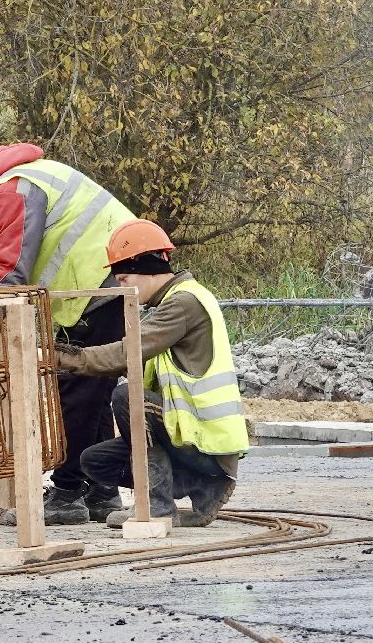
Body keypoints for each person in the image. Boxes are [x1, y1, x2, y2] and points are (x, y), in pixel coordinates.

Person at [0, 142, 135, 524]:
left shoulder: (6, 191)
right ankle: (102, 492)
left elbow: (13, 276)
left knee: (76, 390)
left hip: (103, 281)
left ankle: (68, 493)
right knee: (94, 390)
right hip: (107, 281)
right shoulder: (16, 182)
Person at [54, 219, 249, 527]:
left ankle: (156, 506)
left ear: (144, 268)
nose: (121, 287)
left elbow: (123, 353)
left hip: (208, 445)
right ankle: (204, 489)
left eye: (123, 277)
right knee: (94, 461)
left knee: (125, 398)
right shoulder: (173, 301)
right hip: (194, 441)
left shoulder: (183, 303)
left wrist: (61, 358)